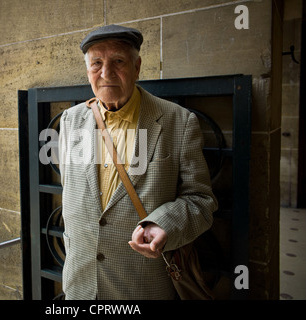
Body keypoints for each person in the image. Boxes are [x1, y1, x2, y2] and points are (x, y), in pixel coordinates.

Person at [58, 24, 218, 300]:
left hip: (142, 285)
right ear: (87, 70)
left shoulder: (178, 121)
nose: (106, 73)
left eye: (118, 61)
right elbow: (70, 188)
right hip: (80, 283)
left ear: (137, 66)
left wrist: (164, 224)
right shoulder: (69, 121)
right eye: (97, 63)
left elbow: (201, 200)